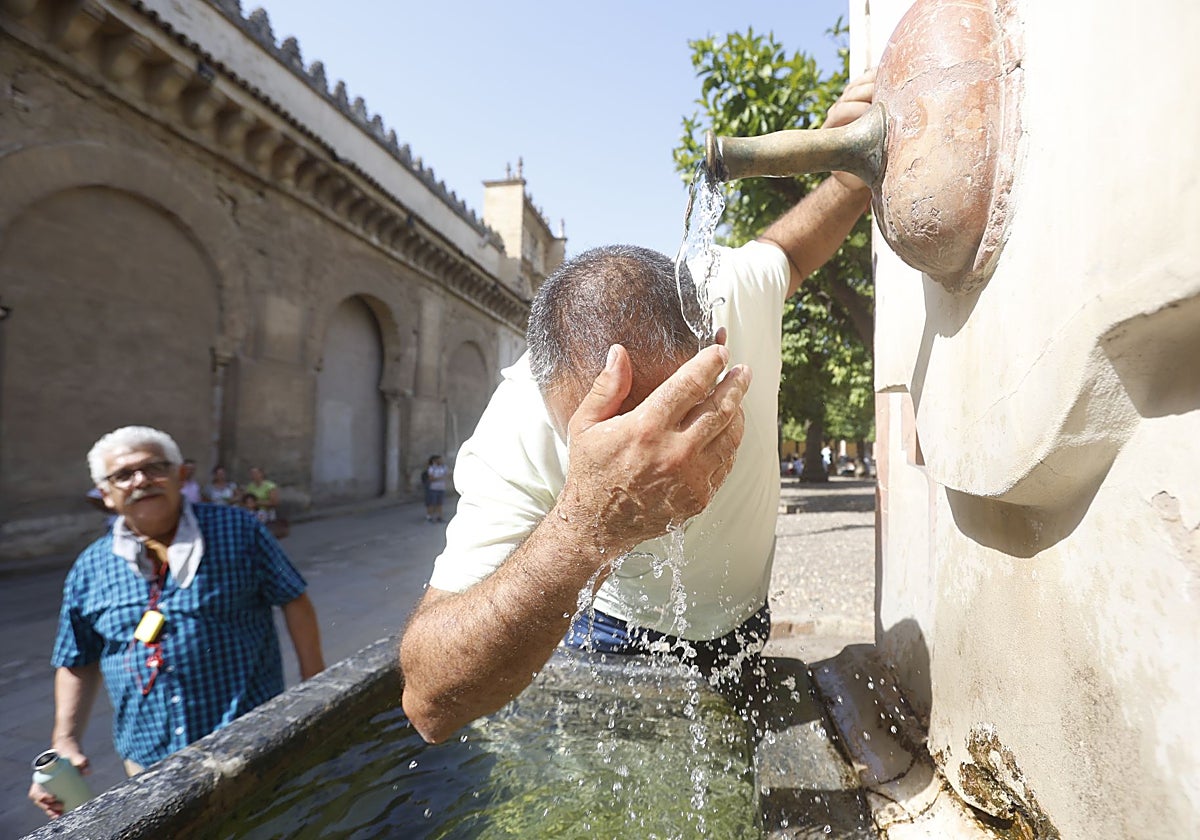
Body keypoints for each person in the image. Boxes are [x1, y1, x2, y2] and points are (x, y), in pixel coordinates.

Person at [398, 71, 876, 744]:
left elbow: (790, 251)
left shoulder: (729, 295)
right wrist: (588, 524)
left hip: (746, 621)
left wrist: (851, 181)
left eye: (679, 410)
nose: (664, 456)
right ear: (551, 403)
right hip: (612, 636)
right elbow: (428, 701)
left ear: (713, 344)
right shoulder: (517, 422)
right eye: (612, 436)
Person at [29, 426, 325, 820]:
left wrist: (315, 687)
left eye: (155, 468)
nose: (141, 481)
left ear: (182, 476)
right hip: (148, 761)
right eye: (123, 475)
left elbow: (294, 599)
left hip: (249, 742)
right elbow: (76, 657)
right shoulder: (90, 567)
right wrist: (64, 740)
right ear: (104, 494)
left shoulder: (239, 531)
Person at [422, 455, 449, 523]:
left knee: (440, 503)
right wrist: (441, 478)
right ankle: (429, 517)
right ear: (435, 461)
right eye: (439, 460)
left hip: (441, 488)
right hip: (433, 488)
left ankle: (439, 517)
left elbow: (447, 475)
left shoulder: (444, 467)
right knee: (431, 503)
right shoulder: (431, 468)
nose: (441, 461)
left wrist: (441, 478)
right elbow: (431, 478)